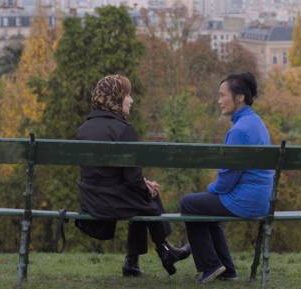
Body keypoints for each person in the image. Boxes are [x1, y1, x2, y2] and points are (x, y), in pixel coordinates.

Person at [75, 74, 190, 277]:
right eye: (127, 95)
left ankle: (135, 261)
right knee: (147, 197)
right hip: (112, 201)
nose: (131, 100)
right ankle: (163, 250)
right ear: (116, 98)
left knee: (141, 197)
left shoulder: (84, 129)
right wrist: (146, 186)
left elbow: (102, 173)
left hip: (90, 200)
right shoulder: (123, 129)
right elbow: (132, 180)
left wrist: (142, 184)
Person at [179, 72, 274, 283]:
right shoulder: (255, 122)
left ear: (239, 97)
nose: (219, 100)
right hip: (260, 198)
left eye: (223, 95)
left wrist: (211, 189)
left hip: (246, 200)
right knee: (205, 207)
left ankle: (210, 265)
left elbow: (226, 180)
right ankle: (227, 270)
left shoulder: (239, 130)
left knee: (189, 203)